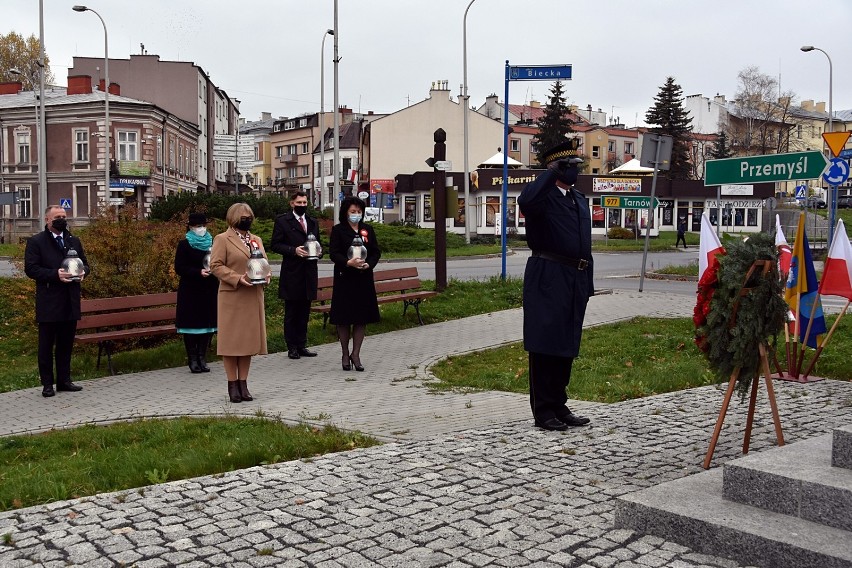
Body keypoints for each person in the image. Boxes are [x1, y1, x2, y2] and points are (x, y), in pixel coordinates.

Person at [518, 139, 594, 431]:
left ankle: (560, 405)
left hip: (574, 278)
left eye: (576, 166)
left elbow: (584, 246)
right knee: (545, 344)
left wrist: (586, 283)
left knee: (566, 344)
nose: (574, 171)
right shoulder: (542, 197)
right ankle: (543, 410)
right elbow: (525, 201)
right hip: (547, 274)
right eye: (568, 166)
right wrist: (548, 173)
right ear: (555, 168)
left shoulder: (578, 198)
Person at [24, 205, 90, 398]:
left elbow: (85, 263)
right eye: (57, 217)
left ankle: (64, 380)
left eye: (63, 216)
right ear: (47, 220)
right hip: (49, 302)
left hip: (70, 300)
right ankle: (47, 384)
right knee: (46, 345)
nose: (61, 219)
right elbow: (31, 269)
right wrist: (55, 274)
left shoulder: (73, 240)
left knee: (65, 344)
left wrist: (83, 271)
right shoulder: (37, 242)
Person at [209, 203, 269, 403]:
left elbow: (264, 263)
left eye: (249, 216)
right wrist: (236, 277)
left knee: (247, 343)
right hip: (232, 296)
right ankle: (232, 384)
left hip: (252, 296)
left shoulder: (255, 240)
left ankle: (244, 383)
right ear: (233, 218)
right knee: (232, 343)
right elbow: (215, 265)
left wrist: (266, 275)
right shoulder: (222, 239)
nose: (247, 219)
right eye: (243, 216)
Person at [329, 196, 381, 372]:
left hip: (363, 278)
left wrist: (369, 264)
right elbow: (333, 253)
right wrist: (347, 262)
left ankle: (356, 354)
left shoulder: (367, 230)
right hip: (345, 279)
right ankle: (345, 353)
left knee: (361, 318)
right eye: (353, 212)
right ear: (346, 212)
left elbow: (375, 252)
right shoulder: (338, 230)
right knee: (344, 319)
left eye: (359, 212)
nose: (356, 215)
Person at [270, 191, 322, 360]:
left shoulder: (312, 222)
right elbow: (275, 244)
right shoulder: (283, 221)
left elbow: (317, 243)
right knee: (292, 312)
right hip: (292, 272)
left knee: (304, 312)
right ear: (292, 203)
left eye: (304, 202)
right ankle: (291, 347)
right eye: (298, 202)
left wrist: (319, 252)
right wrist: (293, 250)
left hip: (309, 271)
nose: (301, 205)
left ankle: (302, 344)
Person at [174, 212, 218, 373]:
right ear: (191, 227)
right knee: (192, 326)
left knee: (207, 326)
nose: (202, 229)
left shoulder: (212, 242)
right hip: (191, 290)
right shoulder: (184, 244)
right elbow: (179, 268)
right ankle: (192, 359)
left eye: (203, 226)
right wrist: (197, 272)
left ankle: (202, 357)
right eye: (198, 226)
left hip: (209, 289)